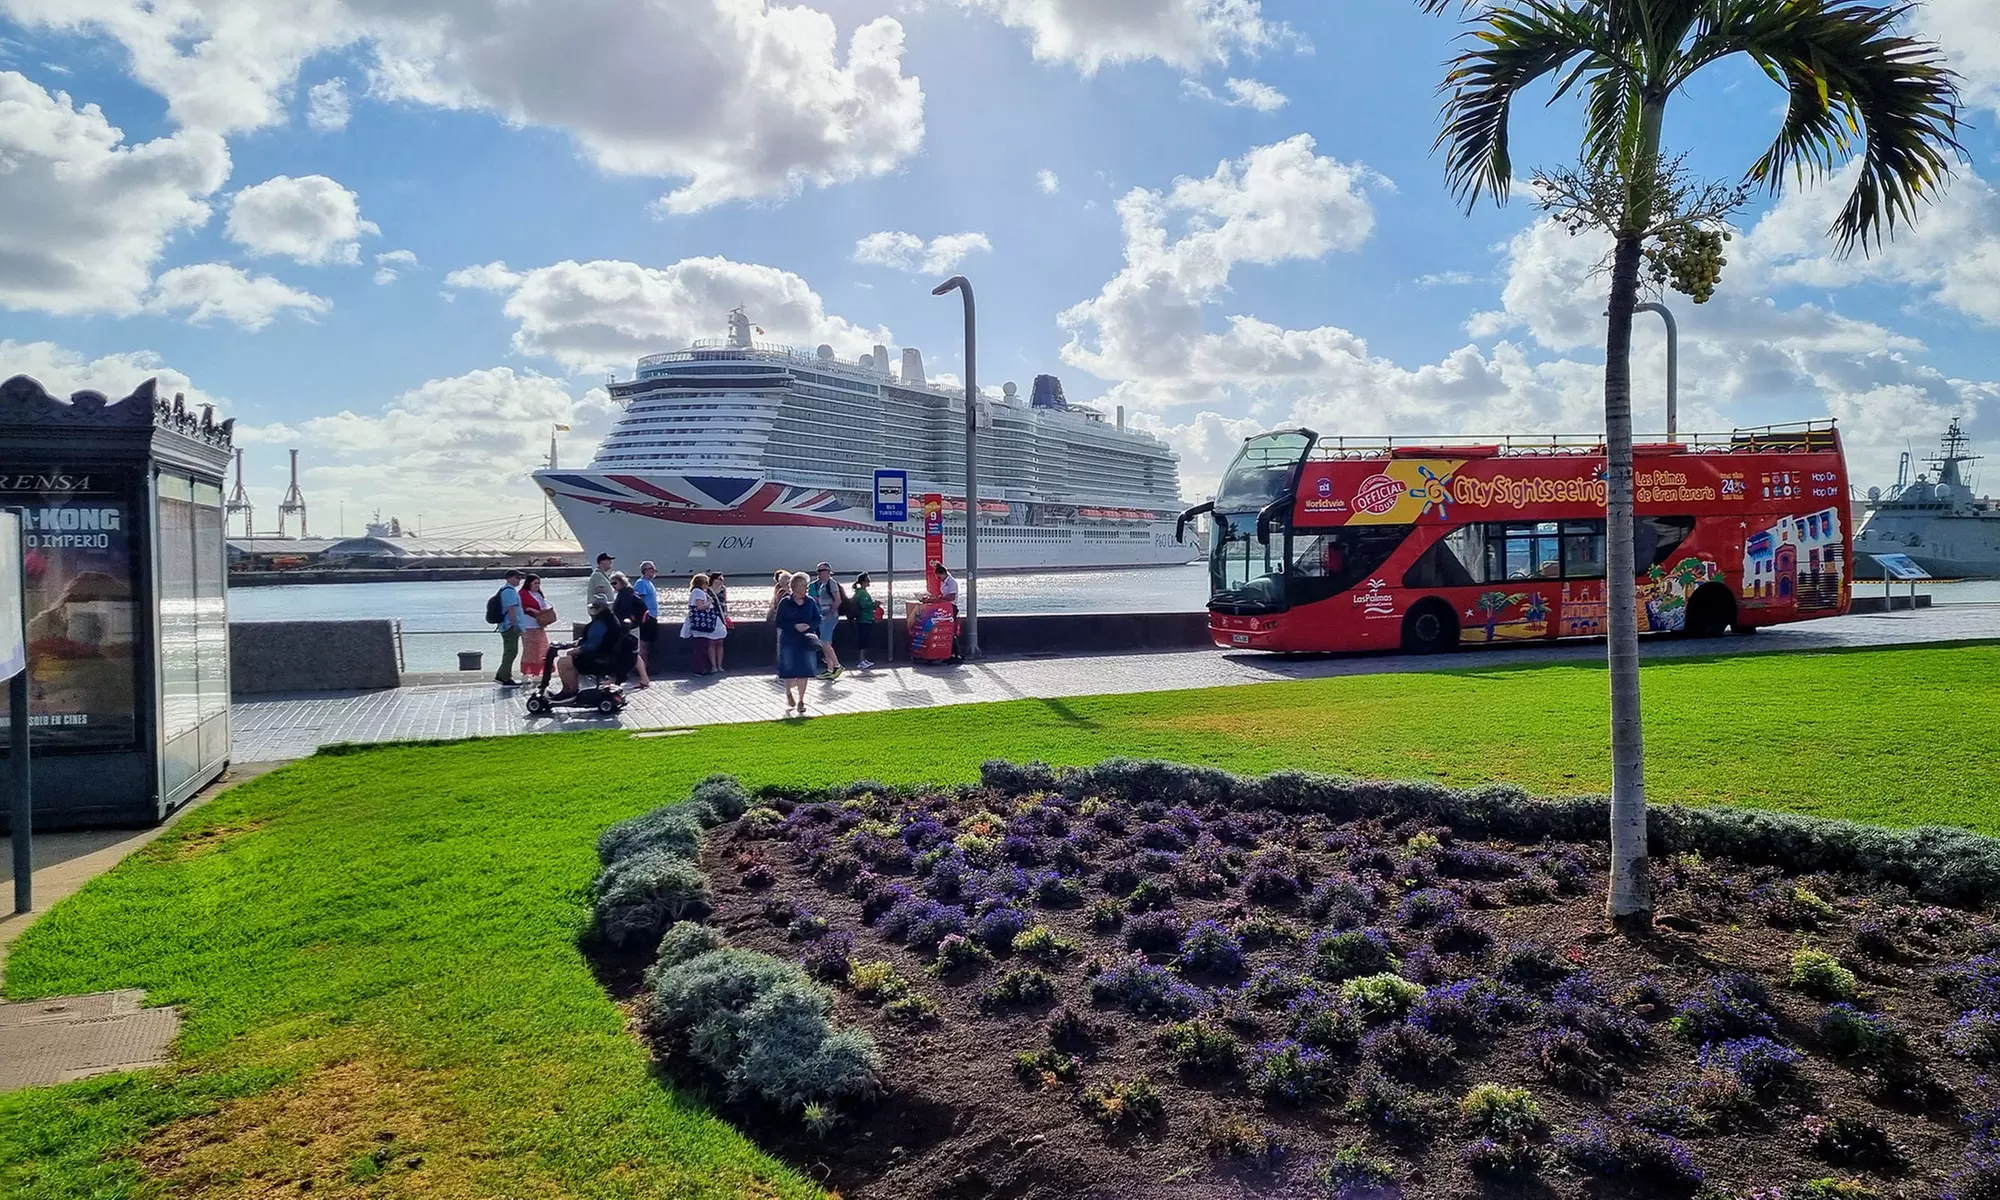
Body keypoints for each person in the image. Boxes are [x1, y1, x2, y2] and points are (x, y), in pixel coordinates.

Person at [774, 571, 824, 714]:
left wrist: (809, 626)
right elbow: (779, 621)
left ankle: (801, 700)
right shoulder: (785, 602)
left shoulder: (810, 602)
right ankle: (788, 692)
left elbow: (818, 618)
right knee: (789, 670)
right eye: (803, 586)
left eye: (806, 586)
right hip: (789, 640)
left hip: (806, 640)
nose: (806, 588)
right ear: (794, 587)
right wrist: (793, 626)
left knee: (804, 670)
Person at [609, 572, 652, 688]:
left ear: (621, 582)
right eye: (611, 583)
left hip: (628, 628)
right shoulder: (629, 592)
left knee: (630, 653)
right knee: (634, 653)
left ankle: (623, 679)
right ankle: (644, 678)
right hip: (632, 626)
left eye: (615, 583)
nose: (613, 585)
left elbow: (624, 612)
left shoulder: (624, 595)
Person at [683, 573, 727, 675]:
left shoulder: (697, 591)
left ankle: (702, 668)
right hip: (702, 621)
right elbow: (700, 606)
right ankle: (699, 669)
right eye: (706, 582)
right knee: (701, 646)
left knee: (702, 645)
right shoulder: (698, 592)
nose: (707, 584)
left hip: (701, 621)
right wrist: (709, 602)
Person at [809, 562, 845, 679]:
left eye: (821, 571)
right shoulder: (822, 584)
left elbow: (837, 600)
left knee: (823, 642)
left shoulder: (831, 583)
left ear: (828, 572)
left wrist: (829, 613)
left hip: (830, 617)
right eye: (818, 571)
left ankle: (837, 665)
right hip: (823, 616)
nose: (819, 573)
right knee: (827, 643)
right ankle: (830, 669)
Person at [493, 569, 526, 686]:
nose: (519, 580)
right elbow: (512, 610)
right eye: (517, 578)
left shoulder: (504, 590)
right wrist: (515, 625)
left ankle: (503, 675)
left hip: (506, 625)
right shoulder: (509, 592)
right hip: (510, 626)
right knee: (511, 652)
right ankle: (503, 677)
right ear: (510, 578)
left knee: (510, 652)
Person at [519, 573, 553, 678]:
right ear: (529, 584)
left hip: (539, 625)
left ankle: (538, 672)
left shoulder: (539, 594)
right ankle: (526, 672)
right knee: (529, 649)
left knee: (542, 648)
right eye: (535, 583)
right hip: (528, 626)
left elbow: (543, 607)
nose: (537, 585)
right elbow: (521, 608)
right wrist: (531, 610)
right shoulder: (522, 594)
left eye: (538, 583)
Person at [634, 561, 662, 674]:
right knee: (643, 645)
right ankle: (641, 669)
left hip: (652, 617)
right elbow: (637, 600)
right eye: (651, 569)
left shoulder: (649, 583)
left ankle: (644, 667)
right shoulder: (641, 583)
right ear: (645, 570)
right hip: (646, 618)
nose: (654, 571)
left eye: (654, 570)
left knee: (648, 645)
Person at [851, 572, 881, 670]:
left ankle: (863, 659)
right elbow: (864, 605)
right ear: (864, 581)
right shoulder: (862, 593)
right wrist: (874, 604)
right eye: (868, 579)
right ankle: (861, 660)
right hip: (864, 619)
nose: (869, 581)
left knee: (865, 639)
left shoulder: (860, 591)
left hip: (864, 619)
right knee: (863, 640)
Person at [587, 551, 617, 616]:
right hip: (600, 611)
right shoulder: (598, 575)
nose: (611, 562)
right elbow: (600, 593)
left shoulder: (602, 575)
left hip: (605, 610)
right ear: (602, 562)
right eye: (608, 560)